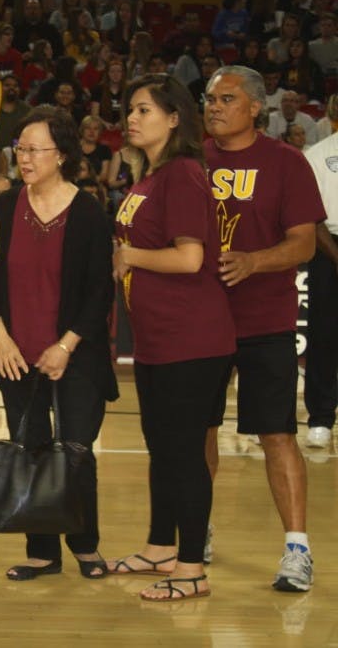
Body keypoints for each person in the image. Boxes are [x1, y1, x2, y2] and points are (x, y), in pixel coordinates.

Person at [107, 73, 236, 601]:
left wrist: (131, 256)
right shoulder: (149, 177)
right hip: (159, 339)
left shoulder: (182, 172)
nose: (132, 119)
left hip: (193, 339)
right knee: (162, 448)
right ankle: (161, 546)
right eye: (129, 110)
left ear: (175, 117)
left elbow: (190, 257)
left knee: (183, 452)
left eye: (143, 110)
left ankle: (191, 569)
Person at [0, 105, 117, 582]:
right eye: (20, 149)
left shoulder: (89, 213)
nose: (25, 158)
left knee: (76, 449)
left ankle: (85, 545)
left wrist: (66, 345)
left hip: (74, 353)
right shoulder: (4, 207)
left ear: (61, 154)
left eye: (34, 149)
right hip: (14, 352)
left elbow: (101, 290)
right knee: (31, 448)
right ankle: (42, 552)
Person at [204, 65, 325, 592]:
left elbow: (305, 242)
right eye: (209, 98)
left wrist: (253, 262)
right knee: (196, 433)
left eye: (226, 98)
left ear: (256, 106)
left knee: (278, 435)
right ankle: (194, 532)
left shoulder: (286, 162)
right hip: (200, 323)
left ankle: (297, 548)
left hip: (264, 322)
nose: (213, 106)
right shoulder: (189, 161)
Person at [303, 121, 338, 448]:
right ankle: (321, 417)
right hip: (329, 246)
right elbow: (313, 217)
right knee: (325, 334)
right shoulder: (317, 154)